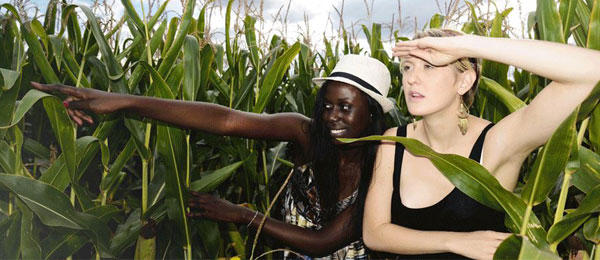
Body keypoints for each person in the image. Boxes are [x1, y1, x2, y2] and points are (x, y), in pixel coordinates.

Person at [31, 54, 394, 259]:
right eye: (327, 105)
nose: (332, 116)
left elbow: (324, 242)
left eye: (346, 108)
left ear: (373, 115)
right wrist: (125, 100)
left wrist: (239, 214)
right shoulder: (305, 132)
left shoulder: (383, 163)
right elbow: (225, 118)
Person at [362, 28, 600, 259]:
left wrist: (468, 44)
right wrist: (456, 242)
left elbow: (594, 71)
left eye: (429, 66)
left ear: (464, 82)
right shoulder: (393, 142)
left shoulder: (498, 143)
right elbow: (375, 233)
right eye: (407, 67)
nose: (412, 79)